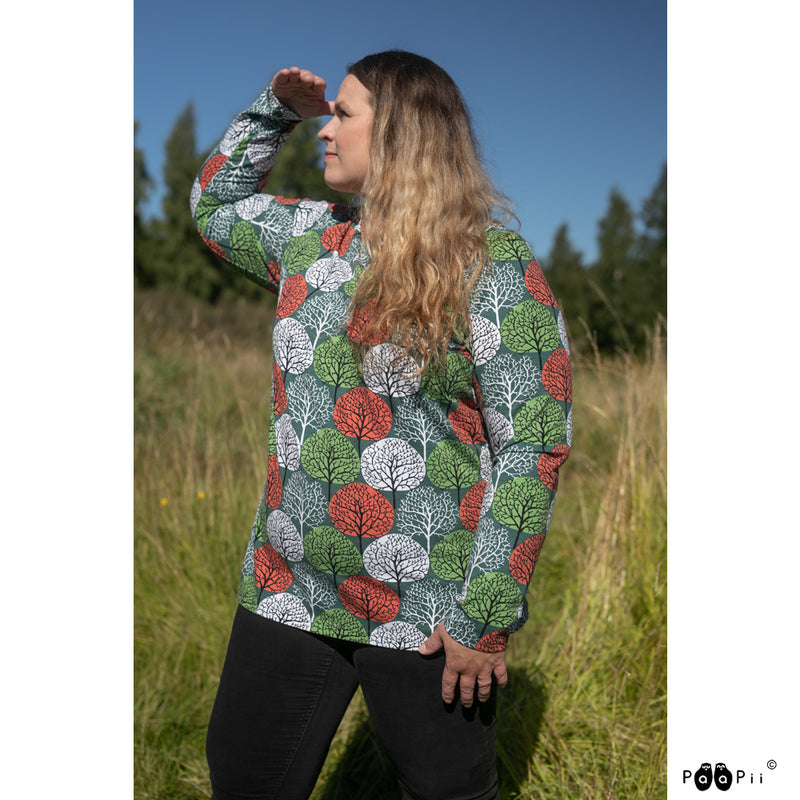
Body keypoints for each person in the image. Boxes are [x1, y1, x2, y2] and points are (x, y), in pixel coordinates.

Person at [191, 50, 572, 800]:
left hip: (428, 613)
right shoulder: (311, 237)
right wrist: (274, 111)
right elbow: (216, 207)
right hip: (286, 585)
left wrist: (485, 617)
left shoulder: (494, 269)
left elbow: (533, 447)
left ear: (400, 134)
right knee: (244, 778)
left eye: (344, 113)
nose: (325, 130)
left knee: (446, 792)